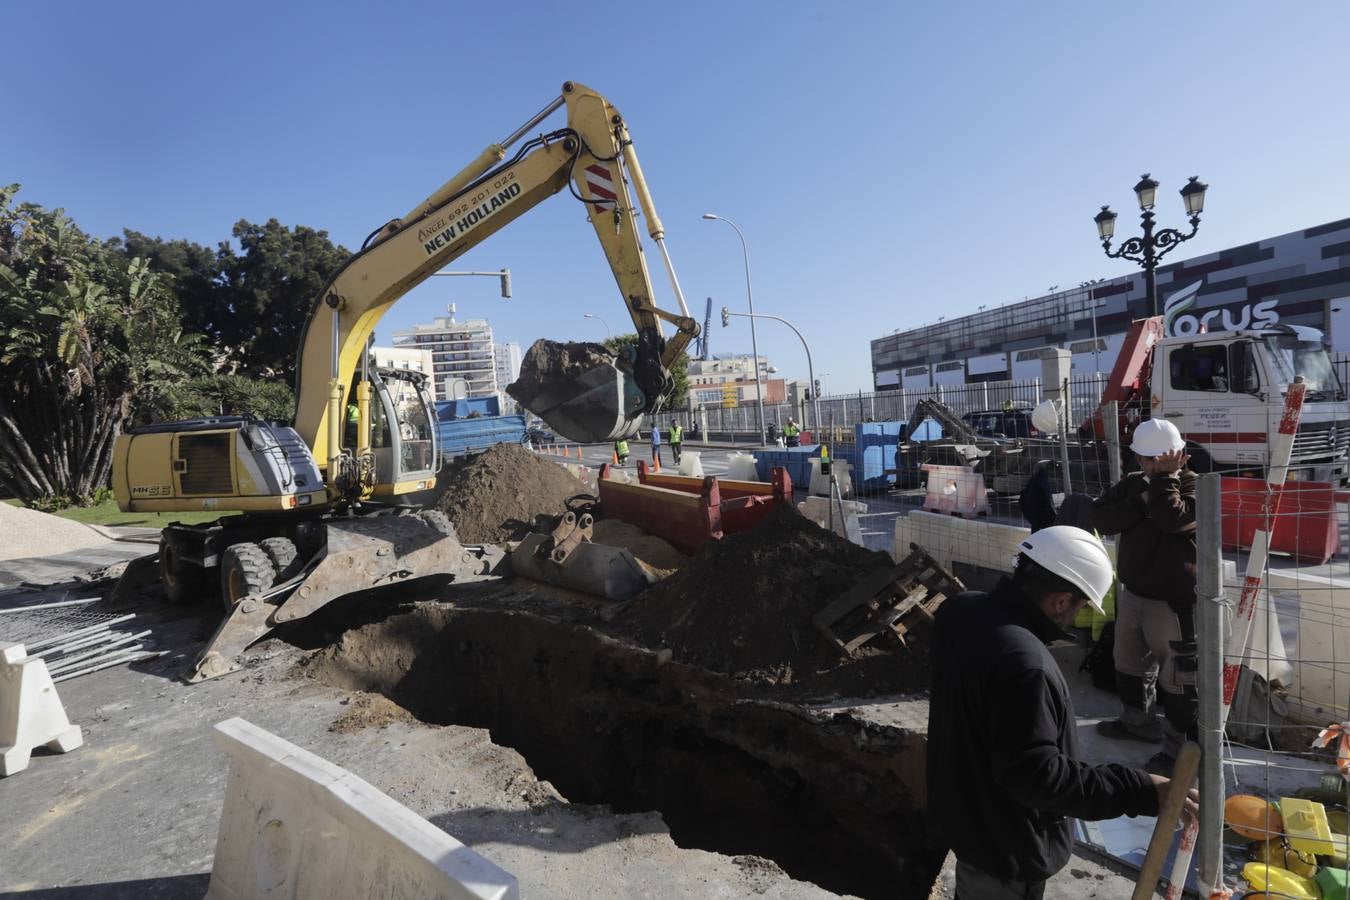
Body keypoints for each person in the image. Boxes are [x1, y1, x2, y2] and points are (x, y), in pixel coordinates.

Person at [928, 525, 1194, 899]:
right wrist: (1141, 790)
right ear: (1060, 601)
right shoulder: (1025, 663)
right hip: (1005, 847)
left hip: (968, 816)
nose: (1078, 616)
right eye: (1082, 605)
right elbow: (1040, 778)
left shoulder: (961, 610)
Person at [1092, 418, 1198, 775]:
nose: (1153, 466)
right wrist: (1141, 500)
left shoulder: (1195, 487)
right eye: (1147, 460)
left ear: (1180, 456)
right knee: (1129, 663)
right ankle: (1137, 722)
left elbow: (1172, 519)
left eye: (1160, 459)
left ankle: (1179, 750)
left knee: (1179, 679)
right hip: (1134, 593)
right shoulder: (1136, 486)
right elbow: (1102, 518)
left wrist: (1164, 481)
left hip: (1174, 602)